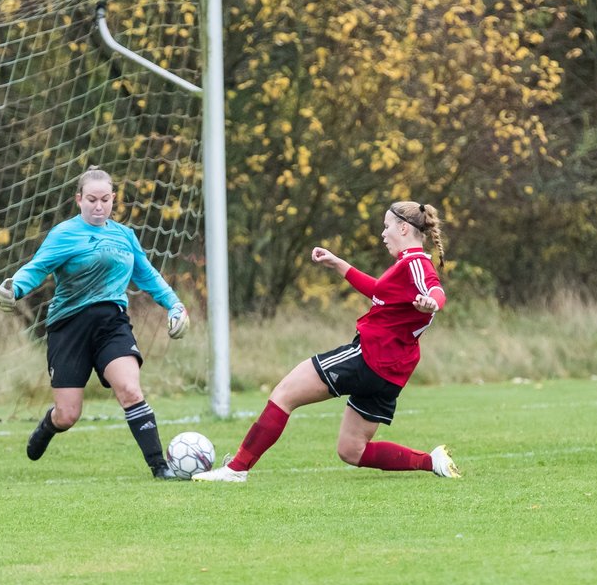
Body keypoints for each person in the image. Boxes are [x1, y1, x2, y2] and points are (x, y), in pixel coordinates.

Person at [194, 201, 460, 483]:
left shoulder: (415, 263)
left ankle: (236, 469)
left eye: (386, 226)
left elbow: (435, 288)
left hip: (368, 358)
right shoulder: (405, 266)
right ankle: (433, 461)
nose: (383, 234)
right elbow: (377, 291)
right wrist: (337, 263)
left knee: (284, 394)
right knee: (352, 450)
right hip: (392, 372)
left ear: (404, 228)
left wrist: (433, 303)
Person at [0, 165, 190, 478]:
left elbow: (147, 275)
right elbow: (36, 268)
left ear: (114, 200)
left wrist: (175, 305)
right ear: (79, 199)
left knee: (129, 389)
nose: (98, 206)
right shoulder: (65, 234)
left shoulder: (124, 236)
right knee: (68, 415)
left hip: (112, 324)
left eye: (105, 200)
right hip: (69, 328)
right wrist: (13, 287)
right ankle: (49, 424)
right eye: (91, 200)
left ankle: (159, 467)